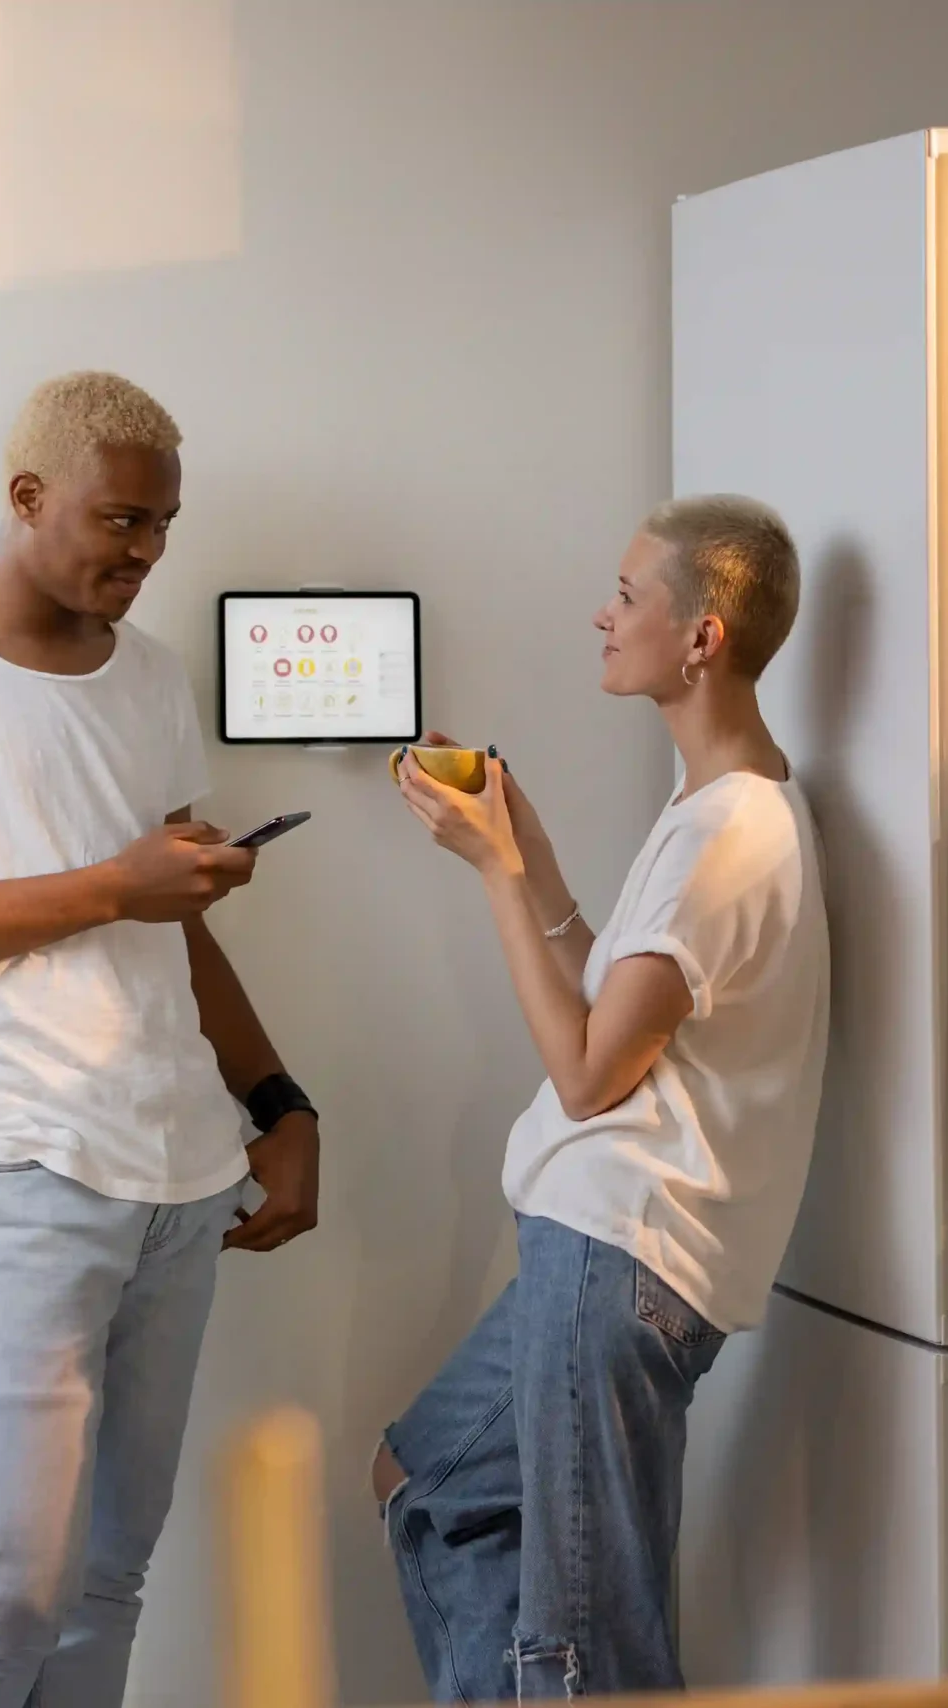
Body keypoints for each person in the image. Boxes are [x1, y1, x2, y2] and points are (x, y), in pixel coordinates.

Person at [0, 372, 321, 1707]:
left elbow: (176, 924)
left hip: (186, 1180)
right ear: (28, 499)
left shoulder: (151, 679)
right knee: (5, 1591)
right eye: (122, 521)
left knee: (109, 1582)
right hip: (18, 1169)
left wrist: (279, 1102)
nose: (146, 554)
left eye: (163, 527)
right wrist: (114, 884)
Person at [376, 495, 830, 1701]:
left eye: (628, 595)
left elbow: (585, 1073)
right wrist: (526, 855)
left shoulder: (727, 832)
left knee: (585, 1642)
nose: (601, 612)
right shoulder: (707, 813)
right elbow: (606, 989)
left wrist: (490, 873)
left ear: (702, 637)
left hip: (619, 1257)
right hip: (590, 1252)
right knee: (423, 1487)